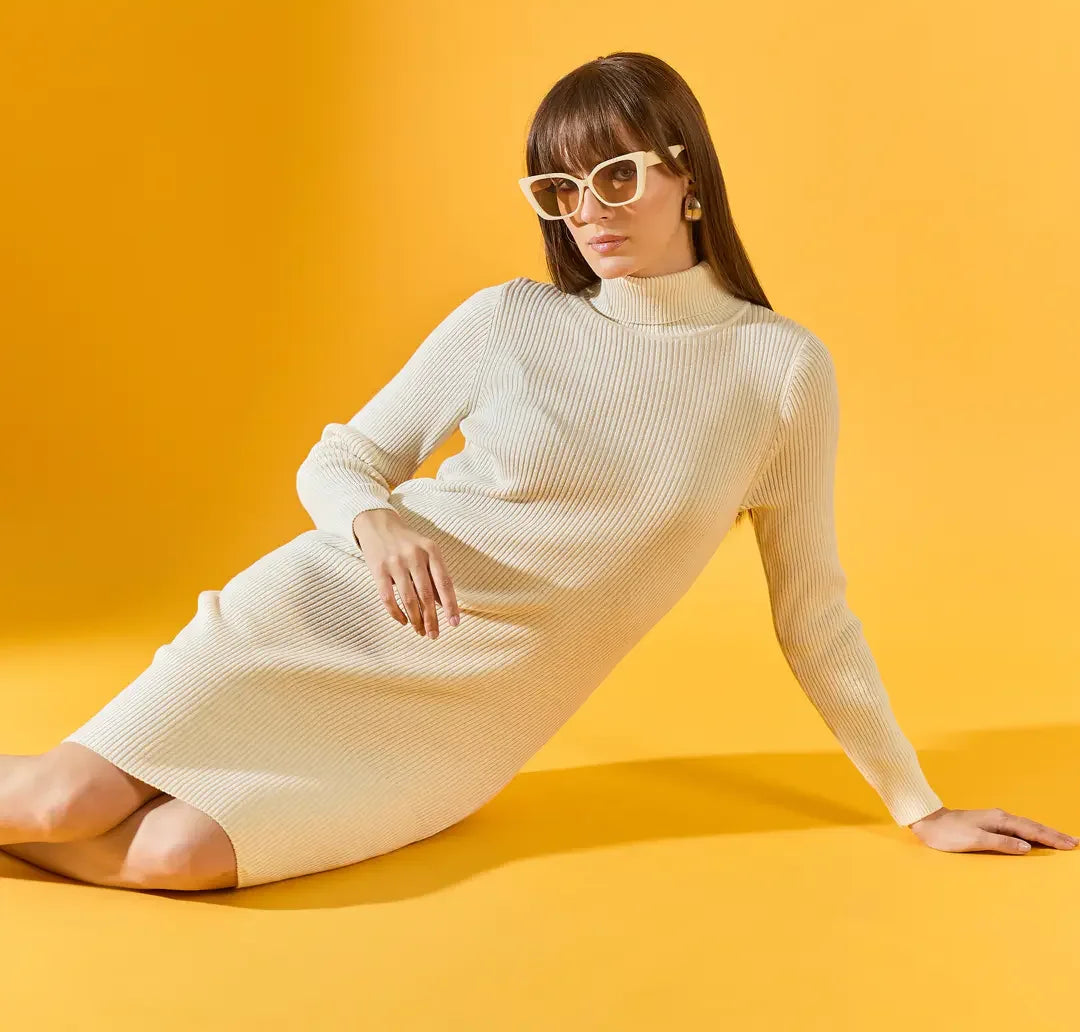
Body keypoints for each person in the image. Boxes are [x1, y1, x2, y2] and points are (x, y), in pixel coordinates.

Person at [2, 51, 1074, 892]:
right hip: (321, 615)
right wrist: (377, 523)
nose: (589, 208)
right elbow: (344, 458)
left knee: (176, 858)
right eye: (560, 188)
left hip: (457, 727)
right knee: (59, 803)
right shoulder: (510, 320)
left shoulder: (779, 371)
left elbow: (815, 614)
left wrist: (915, 803)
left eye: (616, 175)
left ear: (686, 175)